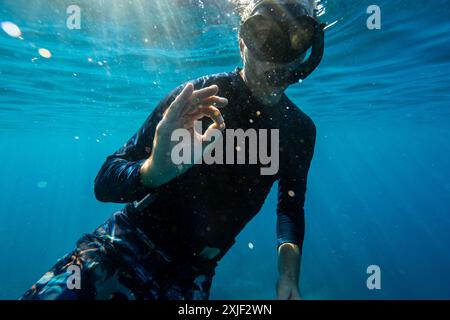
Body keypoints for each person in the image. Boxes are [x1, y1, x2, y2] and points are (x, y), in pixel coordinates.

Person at [21, 0, 324, 300]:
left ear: (309, 49)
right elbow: (104, 182)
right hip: (122, 245)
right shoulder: (197, 98)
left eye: (296, 38)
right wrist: (153, 171)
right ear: (242, 42)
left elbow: (290, 208)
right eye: (263, 35)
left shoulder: (299, 130)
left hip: (193, 274)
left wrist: (288, 275)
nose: (277, 57)